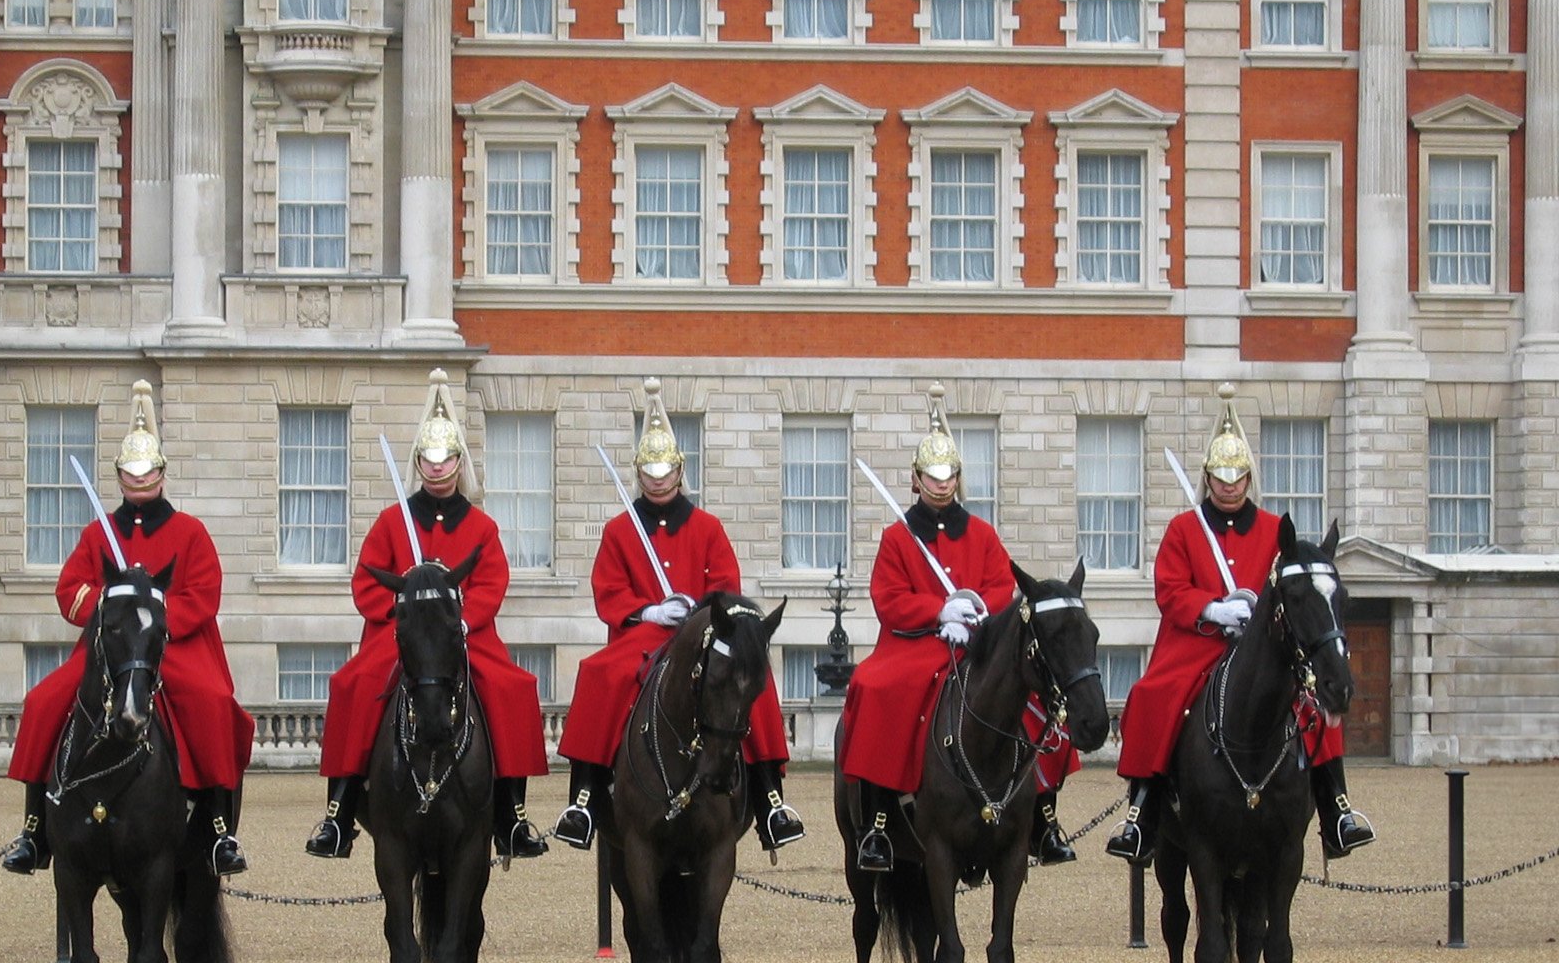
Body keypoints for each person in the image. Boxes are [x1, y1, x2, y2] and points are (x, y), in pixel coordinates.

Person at [1106, 384, 1376, 866]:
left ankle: (1337, 806)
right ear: (1207, 478)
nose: (1229, 487)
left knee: (1310, 702)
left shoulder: (1276, 530)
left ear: (1249, 478)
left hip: (1263, 645)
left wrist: (1259, 613)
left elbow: (1290, 593)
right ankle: (1143, 811)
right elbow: (1168, 589)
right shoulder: (1184, 530)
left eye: (1237, 478)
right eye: (1220, 478)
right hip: (1199, 642)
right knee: (1154, 695)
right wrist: (1213, 608)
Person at [5, 380, 256, 877]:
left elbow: (203, 596)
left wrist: (156, 620)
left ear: (162, 475)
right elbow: (69, 590)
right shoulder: (99, 533)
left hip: (174, 648)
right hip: (111, 649)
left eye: (148, 472)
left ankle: (220, 830)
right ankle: (35, 827)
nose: (139, 480)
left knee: (211, 703)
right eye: (130, 473)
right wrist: (112, 609)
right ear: (120, 476)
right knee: (43, 701)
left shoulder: (190, 532)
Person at [306, 369, 549, 863]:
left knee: (512, 688)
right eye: (429, 460)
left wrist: (460, 620)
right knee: (355, 683)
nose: (437, 469)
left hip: (464, 636)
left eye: (446, 460)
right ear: (418, 463)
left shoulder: (481, 526)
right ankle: (340, 809)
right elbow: (366, 582)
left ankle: (511, 814)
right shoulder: (392, 521)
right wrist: (402, 614)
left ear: (459, 463)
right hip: (401, 638)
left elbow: (491, 582)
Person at [552, 379, 804, 855]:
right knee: (599, 673)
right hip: (643, 632)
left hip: (704, 632)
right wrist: (648, 609)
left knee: (749, 682)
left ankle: (770, 795)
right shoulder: (619, 530)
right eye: (649, 468)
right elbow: (608, 588)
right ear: (638, 472)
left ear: (680, 470)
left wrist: (701, 610)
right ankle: (583, 796)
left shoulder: (707, 527)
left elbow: (727, 583)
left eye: (666, 468)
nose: (658, 477)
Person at [837, 385, 1077, 873]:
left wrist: (973, 613)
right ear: (916, 480)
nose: (940, 484)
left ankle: (1044, 815)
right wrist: (937, 612)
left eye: (948, 477)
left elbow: (998, 587)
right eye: (931, 476)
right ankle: (880, 822)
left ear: (959, 480)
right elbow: (888, 598)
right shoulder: (897, 538)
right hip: (916, 647)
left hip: (980, 647)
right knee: (877, 687)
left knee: (1033, 696)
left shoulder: (983, 534)